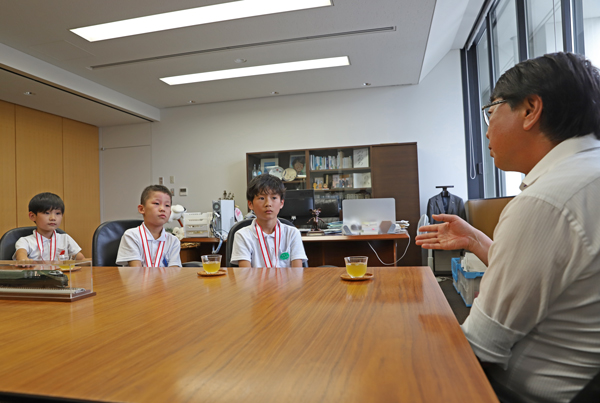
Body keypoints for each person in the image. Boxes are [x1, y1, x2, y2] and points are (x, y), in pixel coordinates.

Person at [416, 52, 600, 403]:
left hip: (517, 392)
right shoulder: (586, 174)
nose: (486, 130)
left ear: (531, 109)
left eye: (492, 111)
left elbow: (481, 346)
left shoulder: (547, 200)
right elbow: (554, 272)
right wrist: (474, 240)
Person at [231, 174, 307, 268]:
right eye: (261, 198)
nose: (268, 204)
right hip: (254, 283)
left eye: (274, 198)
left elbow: (297, 274)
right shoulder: (242, 235)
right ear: (250, 204)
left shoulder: (292, 233)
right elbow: (245, 275)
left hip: (288, 283)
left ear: (281, 203)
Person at [116, 185, 181, 267]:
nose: (162, 209)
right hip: (138, 279)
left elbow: (173, 272)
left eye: (167, 205)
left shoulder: (173, 241)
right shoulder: (132, 236)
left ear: (170, 212)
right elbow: (136, 272)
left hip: (166, 280)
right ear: (141, 209)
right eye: (156, 203)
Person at [14, 192, 85, 261]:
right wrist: (23, 259)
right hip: (35, 273)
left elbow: (81, 260)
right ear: (32, 216)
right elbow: (21, 255)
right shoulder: (25, 241)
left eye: (57, 213)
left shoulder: (65, 239)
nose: (53, 218)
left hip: (61, 273)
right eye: (47, 213)